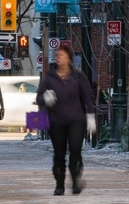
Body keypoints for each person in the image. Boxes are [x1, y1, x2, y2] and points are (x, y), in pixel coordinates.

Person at [39, 45, 97, 196]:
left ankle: (76, 180)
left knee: (75, 150)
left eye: (62, 55)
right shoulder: (49, 77)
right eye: (57, 55)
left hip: (75, 119)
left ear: (69, 58)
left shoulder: (77, 76)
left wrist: (90, 116)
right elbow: (38, 97)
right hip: (56, 120)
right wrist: (46, 97)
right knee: (59, 152)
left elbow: (86, 97)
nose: (59, 58)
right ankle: (59, 184)